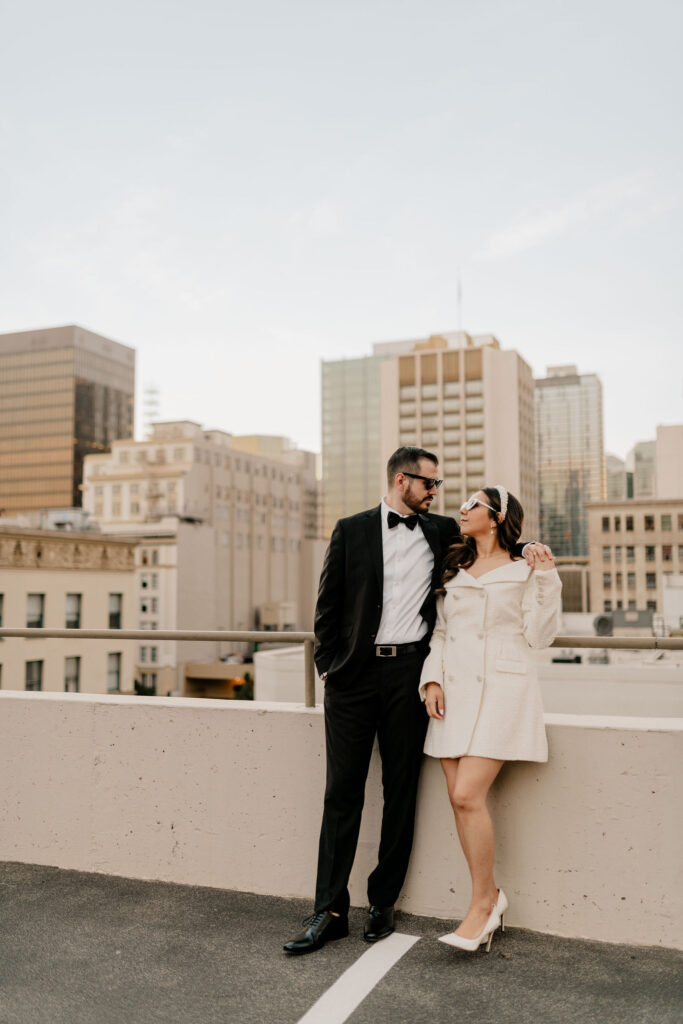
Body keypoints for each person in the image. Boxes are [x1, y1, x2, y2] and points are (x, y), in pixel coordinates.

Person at [284, 450, 551, 955]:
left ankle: (382, 903)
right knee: (341, 792)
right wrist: (331, 671)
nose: (437, 492)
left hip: (412, 676)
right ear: (402, 479)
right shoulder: (350, 529)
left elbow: (502, 541)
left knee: (400, 790)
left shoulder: (444, 529)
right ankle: (329, 911)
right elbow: (327, 607)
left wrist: (534, 547)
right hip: (353, 679)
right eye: (430, 483)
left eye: (441, 484)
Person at [420, 485, 562, 953]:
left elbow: (540, 637)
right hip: (453, 694)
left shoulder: (525, 569)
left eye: (472, 505)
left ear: (497, 517)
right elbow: (440, 633)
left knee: (466, 793)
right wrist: (432, 680)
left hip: (503, 692)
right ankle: (486, 897)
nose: (461, 509)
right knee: (459, 802)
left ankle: (484, 903)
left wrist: (545, 578)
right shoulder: (454, 567)